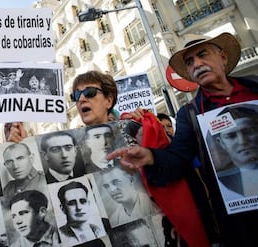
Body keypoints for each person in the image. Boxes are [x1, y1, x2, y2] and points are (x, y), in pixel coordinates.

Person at [107, 32, 258, 245]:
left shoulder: (254, 88)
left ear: (223, 57)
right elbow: (178, 158)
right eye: (190, 62)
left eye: (203, 55)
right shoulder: (189, 114)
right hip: (241, 226)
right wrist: (150, 156)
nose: (197, 64)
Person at [212, 105, 258, 199]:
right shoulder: (223, 181)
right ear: (221, 143)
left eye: (249, 131)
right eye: (231, 136)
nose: (242, 141)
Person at [57, 181, 105, 246]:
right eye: (72, 203)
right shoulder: (58, 235)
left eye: (83, 201)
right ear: (63, 208)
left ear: (88, 204)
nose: (79, 207)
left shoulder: (101, 227)